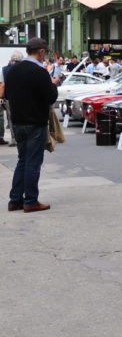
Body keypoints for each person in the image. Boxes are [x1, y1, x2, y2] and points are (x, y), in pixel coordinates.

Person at [6, 39, 59, 213]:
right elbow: (51, 97)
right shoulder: (40, 72)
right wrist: (53, 83)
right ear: (41, 52)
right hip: (35, 122)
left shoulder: (13, 70)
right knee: (33, 162)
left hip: (18, 122)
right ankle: (30, 201)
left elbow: (7, 94)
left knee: (22, 160)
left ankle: (14, 200)